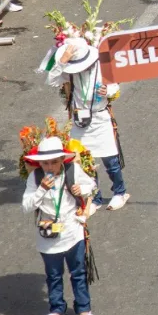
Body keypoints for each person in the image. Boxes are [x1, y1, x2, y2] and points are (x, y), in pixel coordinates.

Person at [43, 37, 130, 211]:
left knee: (110, 161)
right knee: (84, 162)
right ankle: (95, 198)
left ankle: (119, 192)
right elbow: (51, 80)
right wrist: (62, 62)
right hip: (79, 120)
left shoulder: (101, 66)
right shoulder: (69, 71)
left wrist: (108, 90)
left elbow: (115, 87)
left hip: (99, 117)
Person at [20, 136, 96, 315]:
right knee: (53, 275)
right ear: (40, 163)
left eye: (54, 162)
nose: (50, 166)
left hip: (72, 230)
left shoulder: (72, 171)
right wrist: (41, 190)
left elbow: (92, 186)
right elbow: (25, 207)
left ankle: (84, 309)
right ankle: (56, 308)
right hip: (48, 235)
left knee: (78, 272)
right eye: (45, 163)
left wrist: (82, 188)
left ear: (62, 160)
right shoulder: (35, 178)